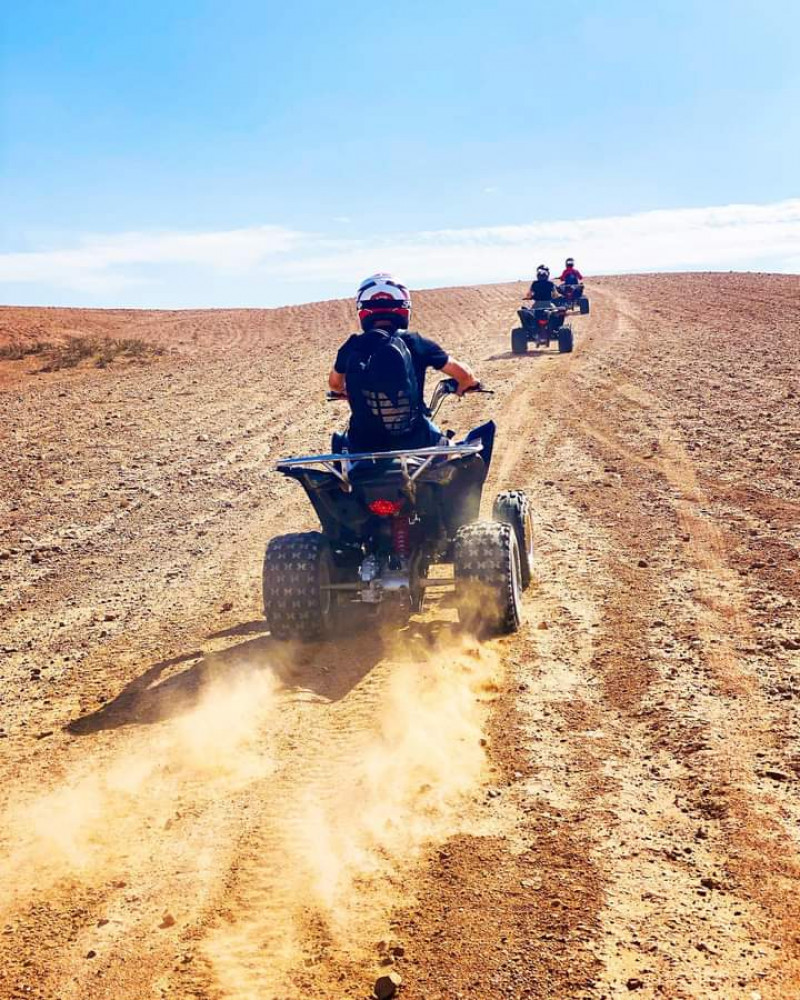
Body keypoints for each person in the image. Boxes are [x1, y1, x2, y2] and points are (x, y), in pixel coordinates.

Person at [328, 273, 479, 452]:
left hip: (363, 443)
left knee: (341, 446)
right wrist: (468, 383)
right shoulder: (416, 342)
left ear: (362, 310)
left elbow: (335, 384)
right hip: (416, 439)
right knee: (452, 452)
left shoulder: (352, 345)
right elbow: (464, 375)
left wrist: (345, 391)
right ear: (404, 306)